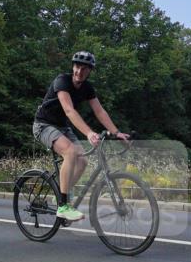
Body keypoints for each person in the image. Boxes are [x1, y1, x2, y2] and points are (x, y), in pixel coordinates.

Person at [32, 51, 129, 222]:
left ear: (90, 71)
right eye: (77, 67)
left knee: (82, 160)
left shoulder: (87, 88)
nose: (79, 72)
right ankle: (63, 206)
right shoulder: (62, 81)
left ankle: (61, 193)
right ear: (73, 67)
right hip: (44, 125)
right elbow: (69, 110)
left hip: (62, 127)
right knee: (70, 152)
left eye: (84, 69)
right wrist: (89, 133)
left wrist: (116, 132)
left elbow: (99, 111)